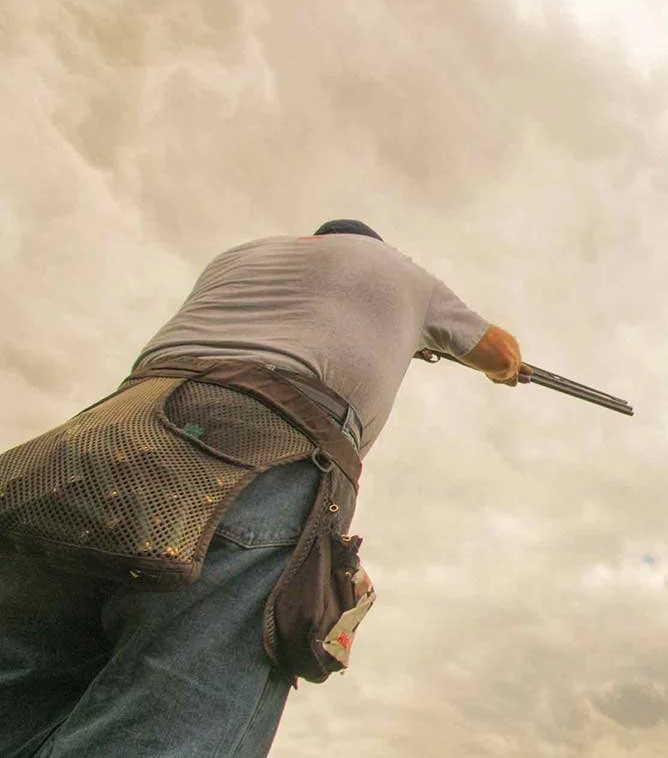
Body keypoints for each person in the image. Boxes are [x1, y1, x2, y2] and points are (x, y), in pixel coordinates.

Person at [0, 219, 527, 757]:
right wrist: (495, 368)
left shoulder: (240, 256)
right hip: (263, 443)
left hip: (96, 439)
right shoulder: (402, 271)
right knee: (172, 716)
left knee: (17, 686)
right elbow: (500, 352)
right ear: (375, 245)